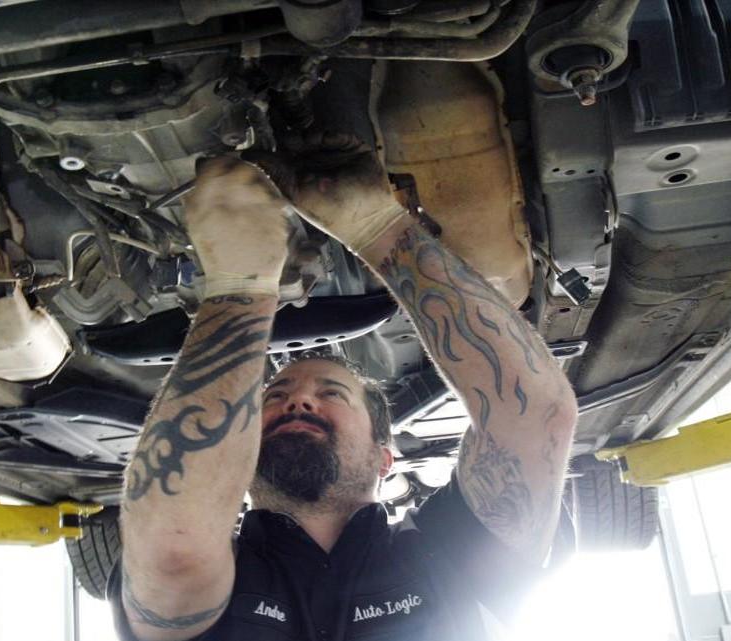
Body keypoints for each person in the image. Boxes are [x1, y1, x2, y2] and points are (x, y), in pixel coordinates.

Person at [109, 137, 579, 641]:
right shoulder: (449, 560)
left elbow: (170, 541)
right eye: (273, 398)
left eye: (332, 393)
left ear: (385, 457)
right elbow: (535, 415)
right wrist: (381, 228)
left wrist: (240, 284)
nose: (298, 400)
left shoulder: (444, 552)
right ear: (237, 454)